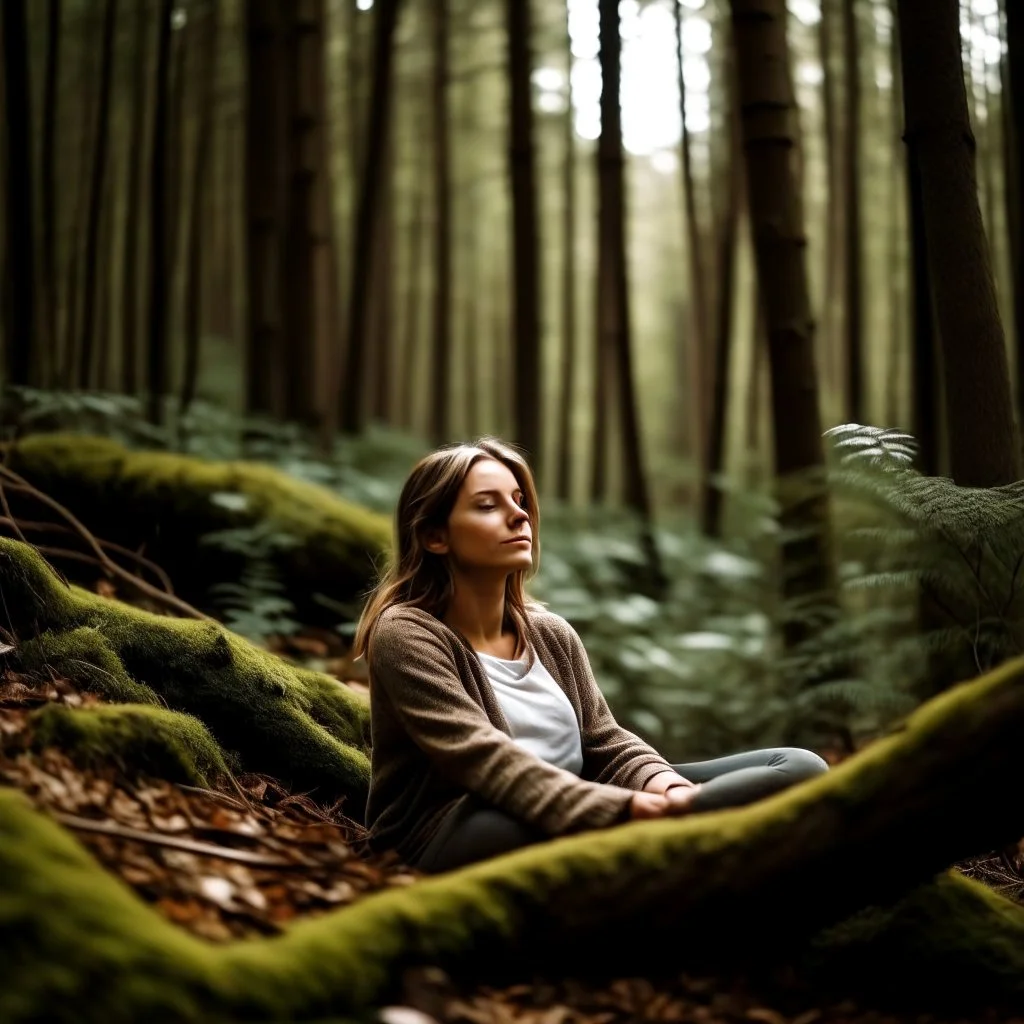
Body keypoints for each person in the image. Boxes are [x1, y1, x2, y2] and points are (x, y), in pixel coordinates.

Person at [354, 438, 828, 874]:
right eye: (487, 505)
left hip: (587, 804)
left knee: (799, 767)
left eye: (520, 501)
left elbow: (604, 742)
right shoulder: (406, 633)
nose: (519, 516)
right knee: (517, 826)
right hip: (457, 827)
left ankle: (673, 846)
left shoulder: (551, 633)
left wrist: (666, 789)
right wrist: (623, 809)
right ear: (436, 537)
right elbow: (480, 758)